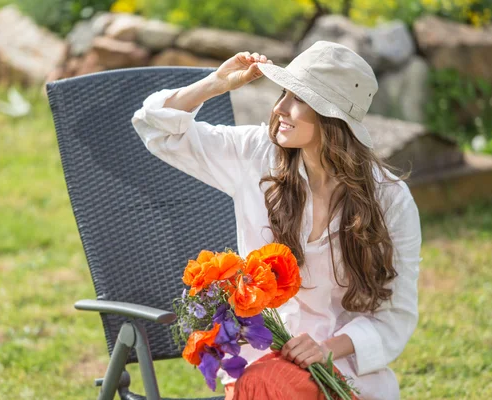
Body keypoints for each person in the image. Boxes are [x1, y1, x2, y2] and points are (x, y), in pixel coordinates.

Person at [131, 40, 422, 400]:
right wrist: (216, 84)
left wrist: (328, 348)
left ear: (332, 117)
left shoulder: (389, 199)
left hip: (346, 369)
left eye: (298, 98)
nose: (280, 108)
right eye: (283, 92)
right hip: (262, 363)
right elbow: (155, 128)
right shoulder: (254, 154)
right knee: (269, 383)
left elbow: (396, 314)